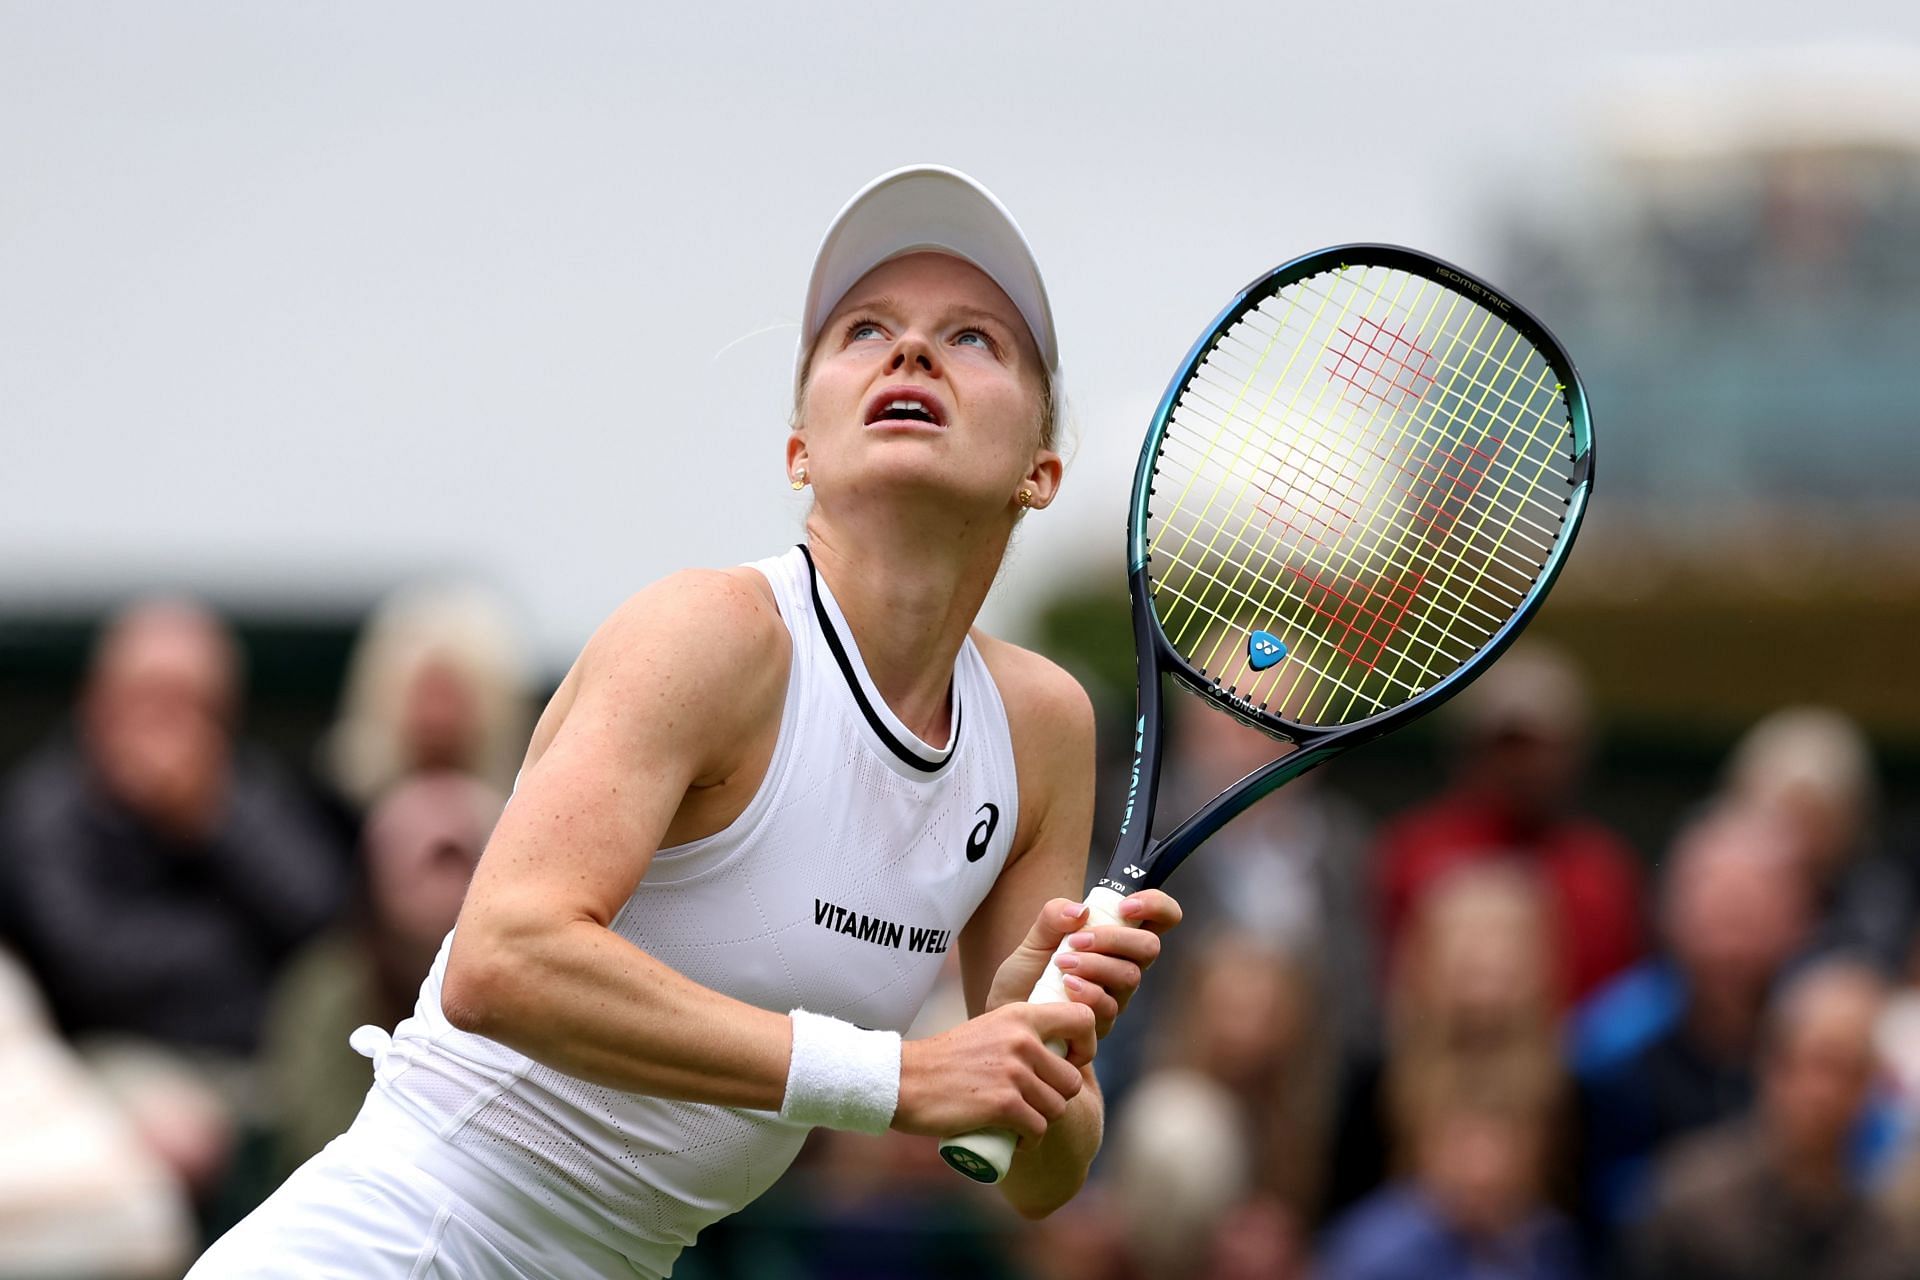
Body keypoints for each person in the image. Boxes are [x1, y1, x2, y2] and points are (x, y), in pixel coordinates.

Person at [189, 165, 1182, 1278]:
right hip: (408, 1236)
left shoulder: (1043, 727)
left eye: (974, 338)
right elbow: (502, 958)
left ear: (1040, 470)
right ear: (800, 446)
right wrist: (901, 1076)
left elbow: (1037, 1174)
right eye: (865, 329)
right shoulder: (710, 633)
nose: (911, 352)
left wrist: (1030, 1038)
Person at [1372, 642, 1641, 1007]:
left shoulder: (1601, 870)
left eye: (1541, 748)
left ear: (1575, 754)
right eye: (1506, 747)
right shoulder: (1414, 851)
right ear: (1468, 751)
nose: (1523, 767)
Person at [1630, 960, 1911, 1280]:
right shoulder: (1687, 1201)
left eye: (1851, 1072)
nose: (1825, 1094)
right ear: (1772, 1063)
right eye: (1819, 1063)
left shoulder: (1889, 1235)